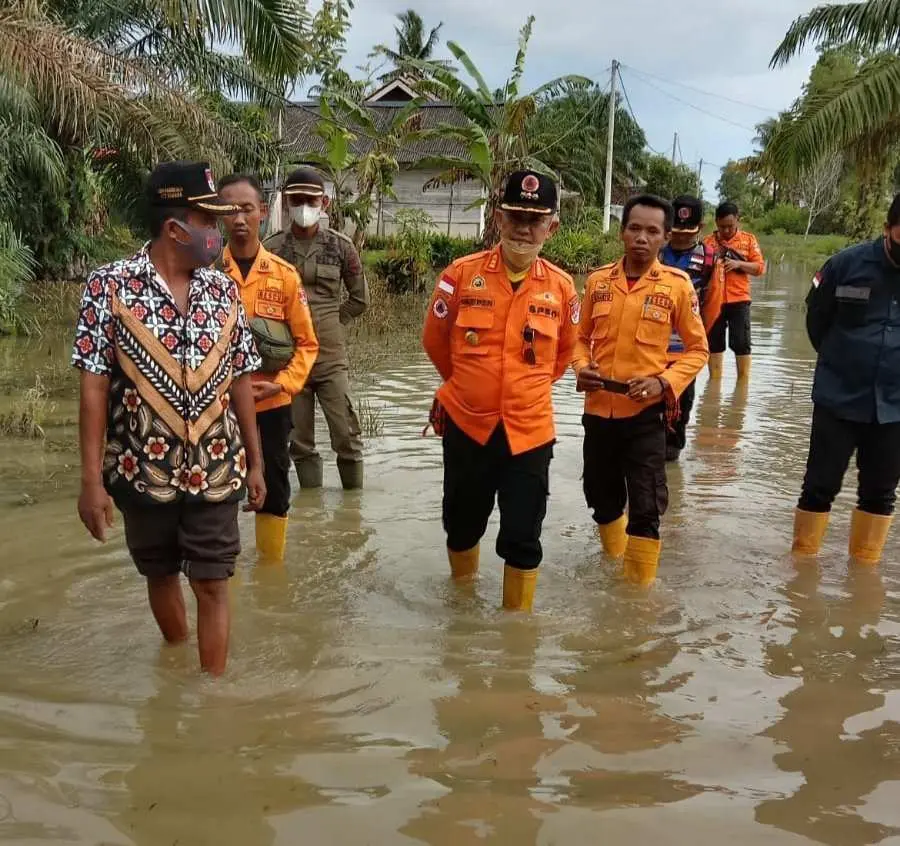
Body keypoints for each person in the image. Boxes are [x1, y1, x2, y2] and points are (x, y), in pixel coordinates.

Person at [72, 161, 265, 676]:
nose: (219, 231)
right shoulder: (108, 288)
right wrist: (91, 482)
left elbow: (241, 379)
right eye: (208, 221)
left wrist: (257, 463)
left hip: (216, 467)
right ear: (175, 228)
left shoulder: (224, 291)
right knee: (159, 574)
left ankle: (211, 697)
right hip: (141, 469)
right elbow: (93, 388)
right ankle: (176, 662)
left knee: (213, 582)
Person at [421, 170, 578, 611]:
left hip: (529, 433)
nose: (524, 228)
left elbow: (563, 356)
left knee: (524, 536)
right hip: (467, 427)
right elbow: (434, 340)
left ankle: (516, 633)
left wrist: (521, 390)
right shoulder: (460, 275)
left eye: (535, 219)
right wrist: (470, 386)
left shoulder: (562, 288)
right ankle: (462, 608)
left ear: (552, 227)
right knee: (461, 525)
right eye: (515, 216)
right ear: (498, 218)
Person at [575, 194, 709, 585]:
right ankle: (613, 568)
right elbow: (579, 339)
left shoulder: (677, 286)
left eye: (652, 231)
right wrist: (581, 368)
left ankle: (638, 597)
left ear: (665, 238)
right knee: (601, 498)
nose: (641, 238)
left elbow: (698, 349)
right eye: (634, 228)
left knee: (647, 506)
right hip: (599, 411)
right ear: (621, 232)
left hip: (645, 415)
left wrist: (663, 382)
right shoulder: (598, 281)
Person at [791, 194, 900, 565]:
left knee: (880, 493)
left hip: (895, 407)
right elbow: (816, 320)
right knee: (818, 487)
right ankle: (802, 567)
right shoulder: (845, 265)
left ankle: (863, 573)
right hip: (838, 399)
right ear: (887, 229)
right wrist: (843, 361)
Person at [218, 174, 319, 562]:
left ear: (262, 211)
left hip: (273, 405)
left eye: (247, 209)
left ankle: (271, 574)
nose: (239, 218)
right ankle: (222, 570)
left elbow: (307, 344)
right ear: (219, 215)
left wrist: (283, 385)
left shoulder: (284, 276)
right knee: (220, 487)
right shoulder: (207, 276)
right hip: (220, 407)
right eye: (230, 210)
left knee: (275, 490)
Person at [264, 168, 369, 490]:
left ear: (324, 203)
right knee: (299, 442)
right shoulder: (272, 249)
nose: (304, 207)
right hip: (290, 359)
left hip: (330, 358)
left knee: (347, 434)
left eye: (311, 200)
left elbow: (360, 299)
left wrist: (332, 322)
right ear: (286, 203)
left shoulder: (341, 247)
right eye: (297, 200)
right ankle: (310, 504)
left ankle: (352, 507)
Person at [659, 194, 723, 461]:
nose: (681, 238)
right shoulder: (655, 252)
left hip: (685, 347)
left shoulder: (709, 260)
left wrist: (696, 340)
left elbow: (713, 305)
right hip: (648, 344)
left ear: (700, 228)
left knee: (681, 402)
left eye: (687, 233)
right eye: (676, 232)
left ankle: (672, 453)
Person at [703, 201, 765, 380]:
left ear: (738, 220)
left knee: (742, 344)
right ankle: (714, 386)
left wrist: (739, 264)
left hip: (739, 300)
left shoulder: (748, 240)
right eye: (722, 226)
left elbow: (759, 268)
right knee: (714, 344)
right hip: (713, 301)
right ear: (716, 222)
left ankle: (742, 387)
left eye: (730, 226)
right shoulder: (707, 243)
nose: (727, 230)